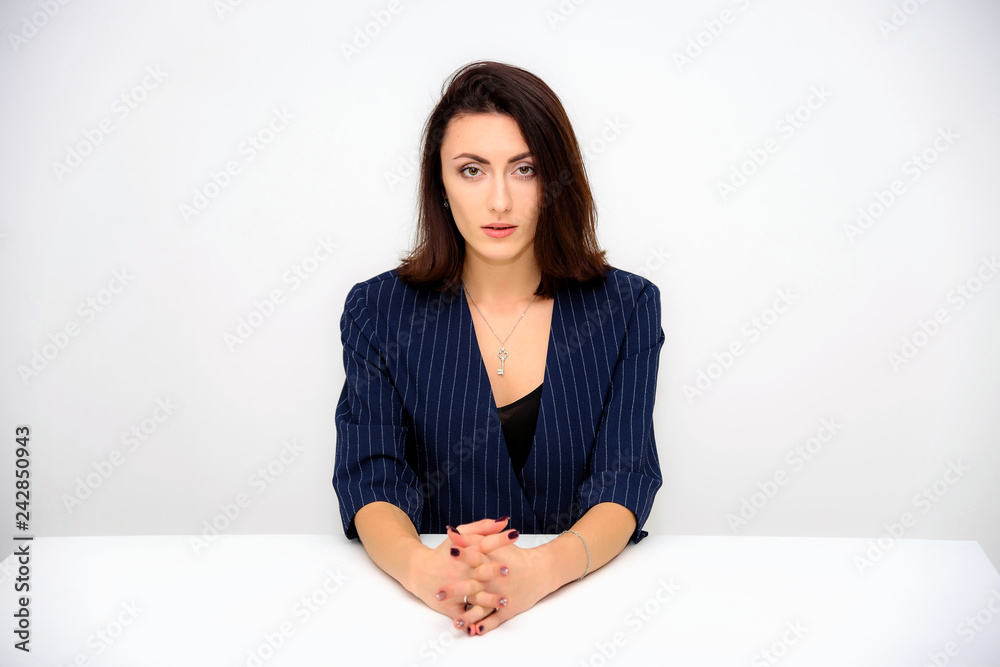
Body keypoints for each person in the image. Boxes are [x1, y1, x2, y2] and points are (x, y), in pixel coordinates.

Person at [333, 60, 664, 637]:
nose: (500, 201)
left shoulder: (627, 306)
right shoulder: (377, 310)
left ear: (557, 179)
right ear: (439, 184)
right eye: (472, 170)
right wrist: (426, 571)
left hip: (589, 616)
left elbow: (625, 477)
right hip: (413, 625)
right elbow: (371, 476)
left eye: (525, 169)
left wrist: (538, 572)